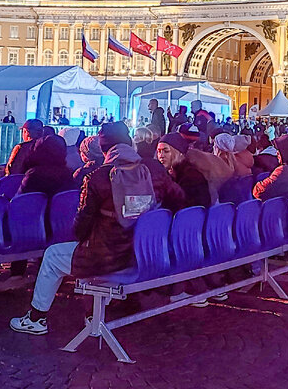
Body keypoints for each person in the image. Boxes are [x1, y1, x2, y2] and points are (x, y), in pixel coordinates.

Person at [10, 121, 183, 335]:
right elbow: (179, 201)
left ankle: (36, 318)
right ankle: (93, 314)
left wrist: (81, 237)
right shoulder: (154, 169)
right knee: (81, 256)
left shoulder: (98, 176)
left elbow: (82, 224)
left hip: (107, 255)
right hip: (142, 252)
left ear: (103, 148)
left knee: (54, 256)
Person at [157, 133, 212, 208]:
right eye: (159, 151)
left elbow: (183, 206)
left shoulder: (192, 176)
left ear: (179, 153)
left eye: (166, 151)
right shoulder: (168, 174)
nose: (161, 155)